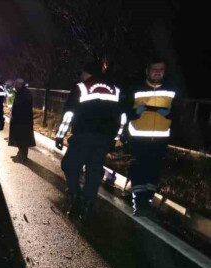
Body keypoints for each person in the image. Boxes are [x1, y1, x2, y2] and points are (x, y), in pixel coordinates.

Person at [55, 61, 124, 221]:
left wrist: (60, 135)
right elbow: (122, 117)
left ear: (87, 73)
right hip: (103, 139)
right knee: (94, 171)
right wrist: (115, 138)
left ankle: (75, 196)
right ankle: (88, 205)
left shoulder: (81, 88)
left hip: (82, 135)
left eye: (82, 73)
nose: (81, 76)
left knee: (69, 165)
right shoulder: (115, 90)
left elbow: (69, 115)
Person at [123, 58, 178, 217]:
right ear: (147, 71)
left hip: (160, 140)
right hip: (139, 139)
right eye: (154, 69)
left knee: (153, 171)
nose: (158, 72)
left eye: (161, 69)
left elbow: (180, 113)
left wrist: (170, 114)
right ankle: (138, 203)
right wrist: (135, 113)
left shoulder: (171, 90)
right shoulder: (135, 89)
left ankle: (147, 200)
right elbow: (125, 111)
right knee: (138, 169)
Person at [8, 78, 35, 162]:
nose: (15, 86)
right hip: (21, 120)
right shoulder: (22, 92)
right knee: (20, 138)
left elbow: (23, 107)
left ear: (20, 84)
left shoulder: (25, 93)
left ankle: (23, 157)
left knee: (23, 139)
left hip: (23, 121)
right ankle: (20, 154)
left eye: (16, 84)